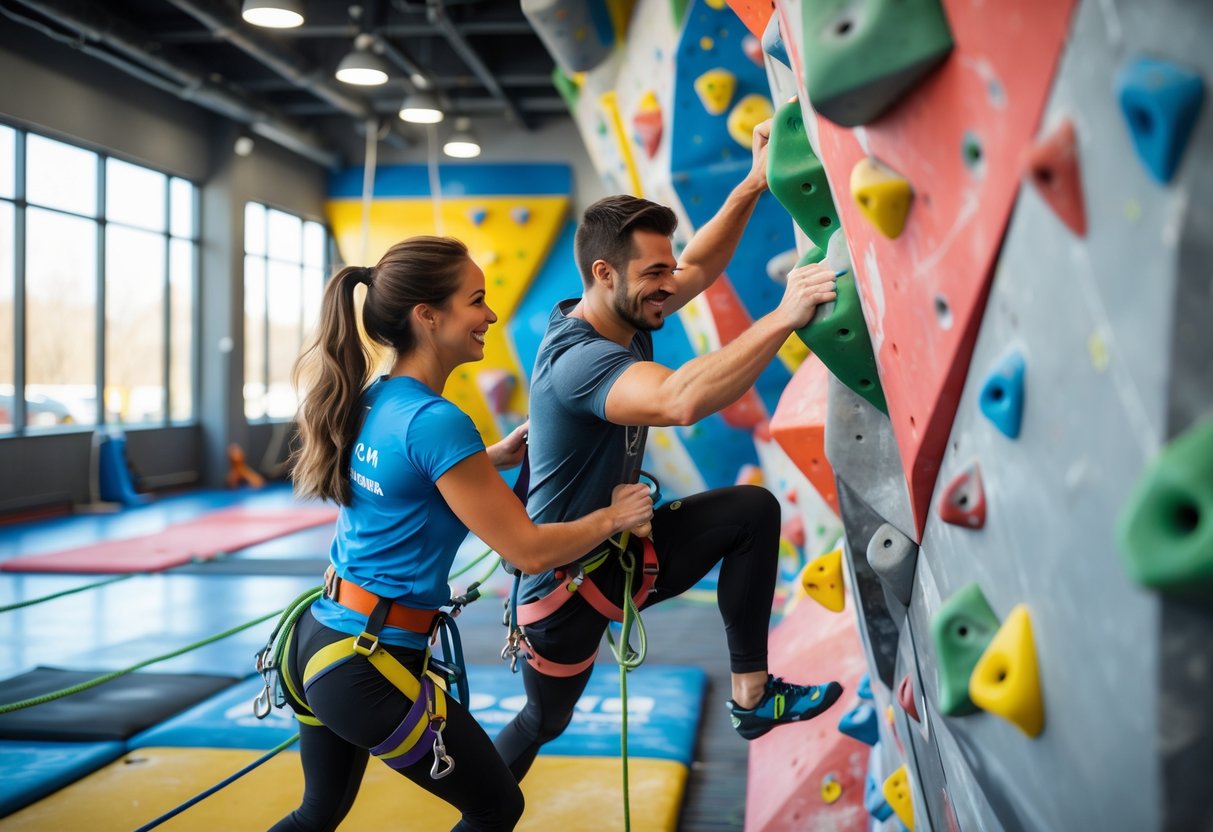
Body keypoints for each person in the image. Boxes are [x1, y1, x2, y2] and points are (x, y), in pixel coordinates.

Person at [494, 120, 843, 779]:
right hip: (563, 589)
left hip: (616, 553)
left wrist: (750, 184)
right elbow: (681, 399)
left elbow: (701, 266)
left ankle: (752, 695)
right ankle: (480, 808)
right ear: (604, 273)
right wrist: (783, 314)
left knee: (749, 513)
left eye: (664, 269)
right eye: (653, 273)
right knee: (543, 721)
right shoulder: (579, 361)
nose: (668, 285)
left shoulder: (622, 305)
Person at [270, 236, 653, 832]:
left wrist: (490, 458)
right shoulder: (438, 421)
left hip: (321, 638)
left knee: (318, 813)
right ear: (428, 316)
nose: (490, 315)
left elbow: (411, 477)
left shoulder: (378, 398)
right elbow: (526, 549)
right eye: (476, 301)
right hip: (367, 662)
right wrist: (614, 517)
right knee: (496, 805)